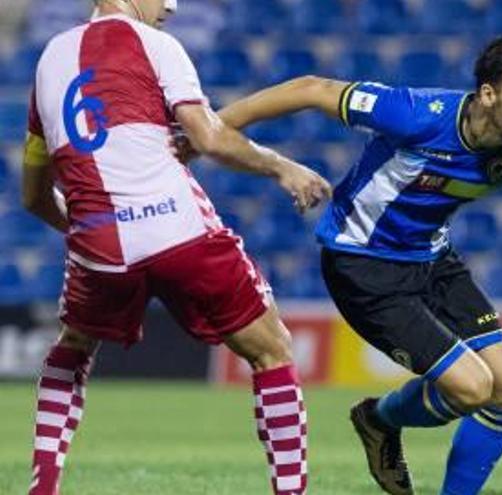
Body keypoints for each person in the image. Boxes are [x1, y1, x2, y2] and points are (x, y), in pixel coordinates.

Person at [216, 33, 502, 495]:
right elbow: (310, 88)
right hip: (363, 265)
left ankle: (386, 431)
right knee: (472, 388)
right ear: (488, 94)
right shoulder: (416, 114)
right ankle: (379, 420)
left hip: (433, 260)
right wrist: (212, 128)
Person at [22, 1, 330, 494]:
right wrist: (281, 167)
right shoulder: (156, 45)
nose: (172, 5)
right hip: (176, 231)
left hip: (96, 240)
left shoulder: (47, 61)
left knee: (72, 348)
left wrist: (97, 230)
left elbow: (33, 196)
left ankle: (43, 487)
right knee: (272, 351)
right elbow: (207, 138)